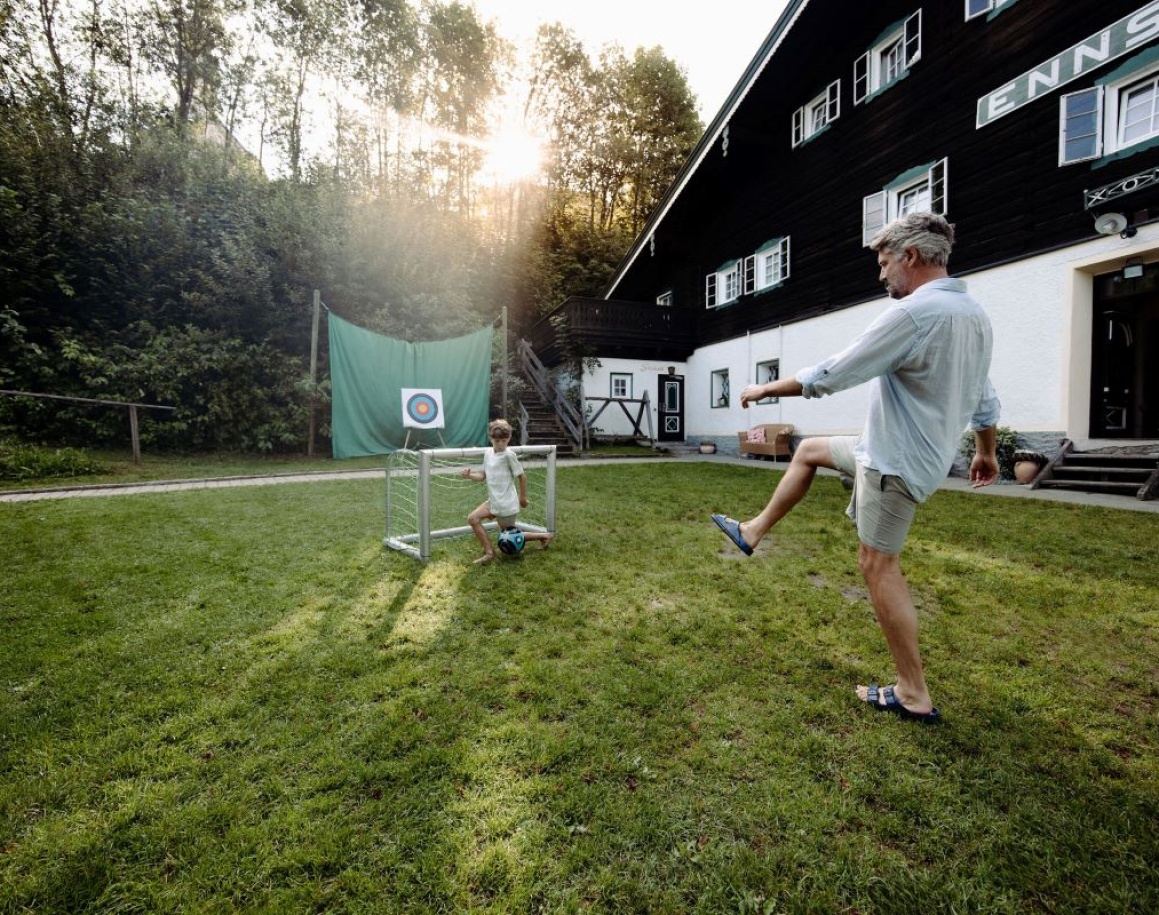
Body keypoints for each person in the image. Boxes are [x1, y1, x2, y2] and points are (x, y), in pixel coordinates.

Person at [711, 212, 1001, 723]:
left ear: (910, 258)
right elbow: (985, 399)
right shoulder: (974, 315)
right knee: (808, 451)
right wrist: (986, 451)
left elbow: (834, 373)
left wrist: (765, 389)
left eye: (885, 263)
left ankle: (913, 692)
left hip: (895, 462)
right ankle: (753, 531)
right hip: (886, 449)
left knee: (877, 565)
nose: (881, 275)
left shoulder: (914, 314)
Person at [461, 418, 554, 564]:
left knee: (509, 535)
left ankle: (544, 536)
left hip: (506, 504)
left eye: (504, 441)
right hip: (493, 501)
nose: (500, 444)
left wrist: (523, 498)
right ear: (491, 438)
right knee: (473, 518)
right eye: (497, 441)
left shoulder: (509, 455)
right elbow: (482, 476)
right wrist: (469, 476)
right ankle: (489, 552)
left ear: (509, 438)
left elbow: (522, 477)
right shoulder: (487, 453)